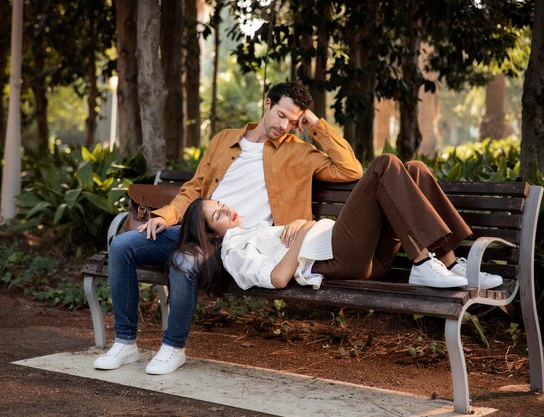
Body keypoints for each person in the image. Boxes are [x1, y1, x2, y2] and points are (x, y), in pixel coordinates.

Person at [93, 82, 364, 375]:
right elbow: (194, 189)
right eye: (282, 115)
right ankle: (125, 343)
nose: (285, 125)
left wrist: (314, 123)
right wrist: (166, 215)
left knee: (184, 261)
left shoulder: (300, 152)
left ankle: (173, 348)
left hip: (235, 241)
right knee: (122, 245)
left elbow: (351, 170)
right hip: (194, 227)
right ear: (267, 104)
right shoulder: (224, 140)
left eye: (294, 120)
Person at [176, 154, 503, 294]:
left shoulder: (251, 228)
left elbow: (287, 242)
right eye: (218, 216)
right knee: (384, 165)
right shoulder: (233, 249)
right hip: (340, 257)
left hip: (364, 255)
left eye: (221, 204)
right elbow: (276, 278)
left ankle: (449, 262)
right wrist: (304, 231)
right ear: (210, 233)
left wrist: (303, 223)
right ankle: (421, 262)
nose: (227, 210)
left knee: (414, 168)